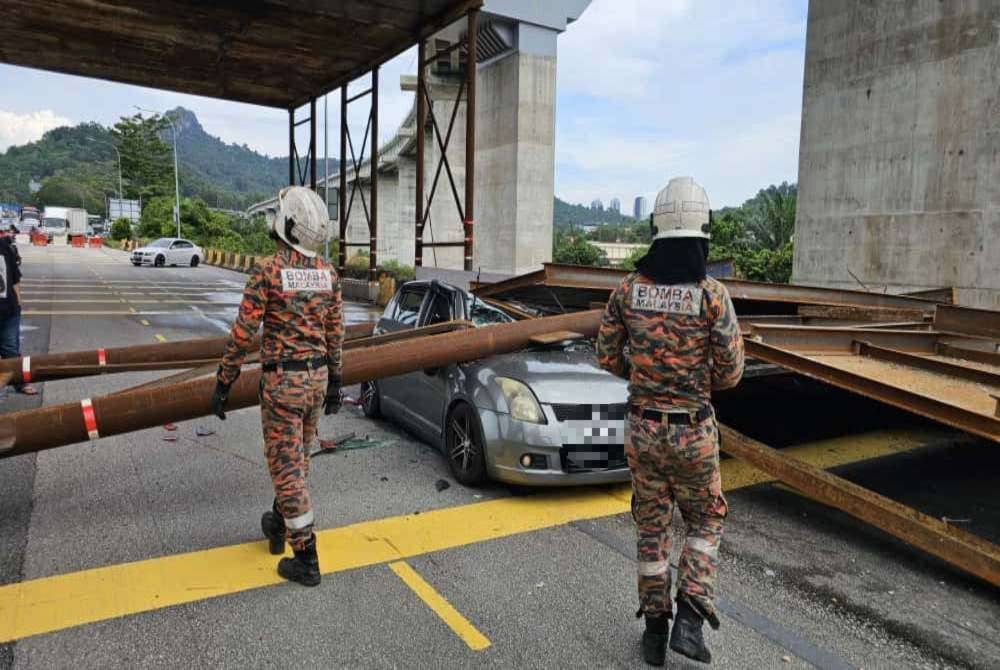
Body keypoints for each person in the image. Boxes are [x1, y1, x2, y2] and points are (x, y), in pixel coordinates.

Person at [597, 176, 744, 666]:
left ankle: (655, 633)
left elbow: (607, 357)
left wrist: (644, 374)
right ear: (704, 234)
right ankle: (690, 619)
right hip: (693, 431)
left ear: (654, 230)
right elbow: (731, 374)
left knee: (652, 527)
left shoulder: (626, 291)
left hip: (642, 428)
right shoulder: (712, 297)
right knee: (706, 518)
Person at [211, 186, 343, 587]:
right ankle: (279, 523)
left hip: (283, 384)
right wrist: (336, 378)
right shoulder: (328, 273)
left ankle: (306, 557)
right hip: (317, 379)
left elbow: (244, 332)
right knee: (297, 458)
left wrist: (224, 379)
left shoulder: (268, 271)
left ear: (286, 225)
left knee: (286, 467)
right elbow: (335, 333)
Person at [0, 230, 35, 396]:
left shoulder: (4, 248)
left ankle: (20, 383)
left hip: (8, 309)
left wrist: (18, 303)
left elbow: (14, 278)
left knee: (11, 349)